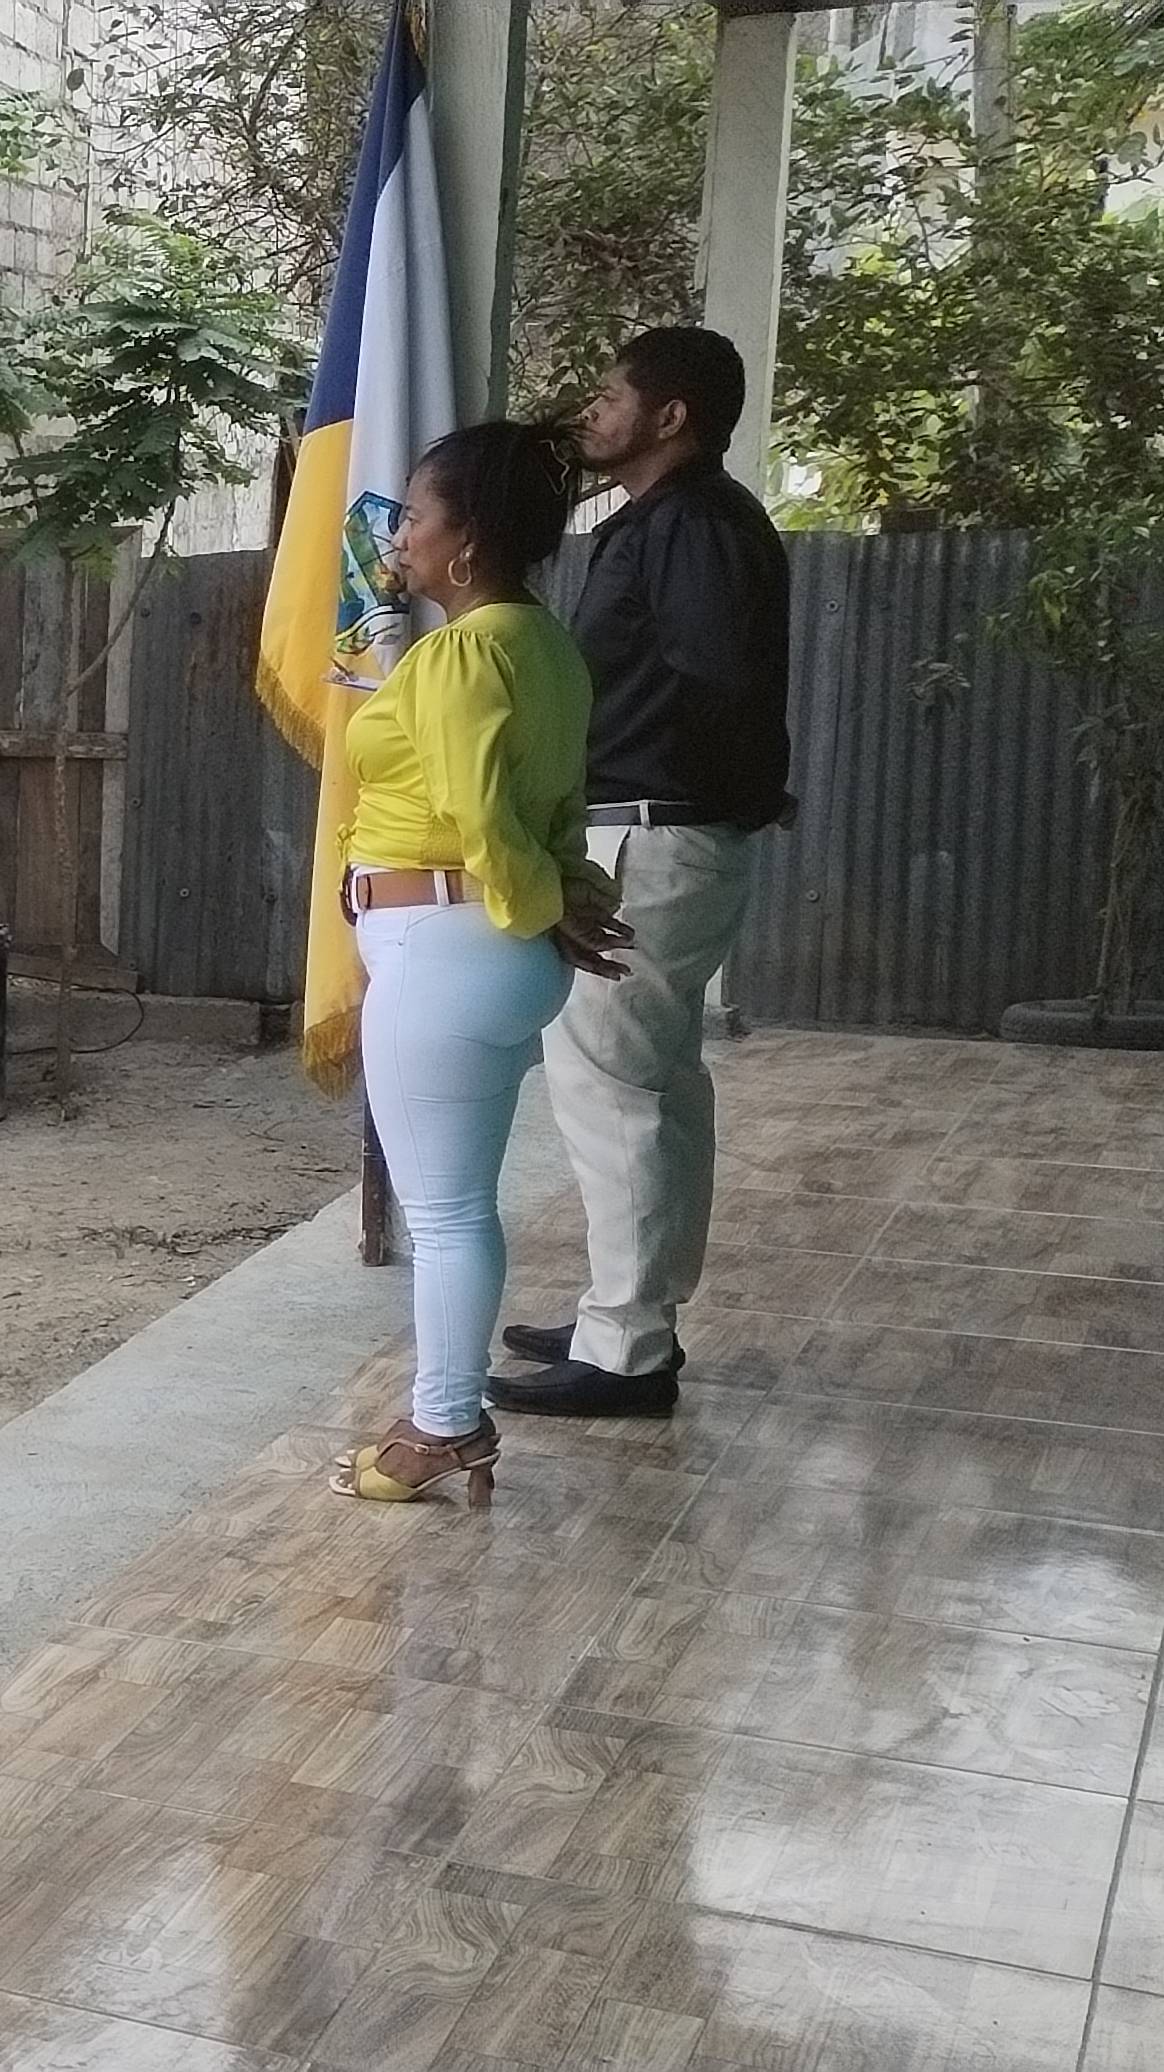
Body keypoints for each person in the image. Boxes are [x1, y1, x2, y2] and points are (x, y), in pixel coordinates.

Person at [329, 423, 635, 1504]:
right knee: (462, 1204)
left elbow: (484, 819)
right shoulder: (544, 645)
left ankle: (444, 1425)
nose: (399, 536)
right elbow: (553, 810)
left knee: (448, 1214)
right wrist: (561, 903)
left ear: (465, 541)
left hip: (449, 946)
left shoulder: (461, 654)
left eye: (415, 516)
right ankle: (449, 1418)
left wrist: (544, 904)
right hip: (485, 953)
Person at [496, 327, 795, 1422]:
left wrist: (727, 789)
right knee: (654, 1083)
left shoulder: (692, 526)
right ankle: (631, 1319)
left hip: (650, 836)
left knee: (611, 1085)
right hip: (661, 830)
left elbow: (719, 680)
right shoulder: (678, 521)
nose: (593, 409)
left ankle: (625, 1348)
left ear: (671, 416)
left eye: (612, 394)